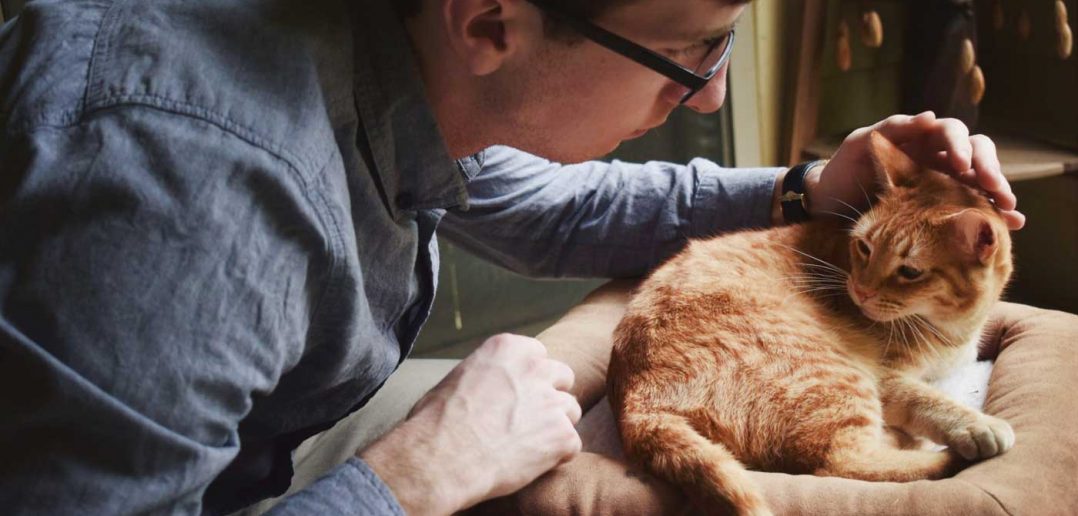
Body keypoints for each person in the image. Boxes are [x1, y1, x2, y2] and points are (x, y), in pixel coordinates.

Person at [0, 0, 1024, 514]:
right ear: (492, 21)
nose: (710, 96)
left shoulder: (384, 51)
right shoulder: (180, 197)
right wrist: (411, 475)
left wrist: (805, 188)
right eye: (693, 52)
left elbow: (552, 211)